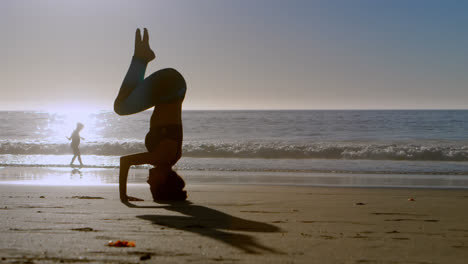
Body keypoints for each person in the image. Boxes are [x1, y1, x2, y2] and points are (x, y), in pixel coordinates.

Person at [114, 28, 187, 203]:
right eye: (151, 184)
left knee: (124, 103)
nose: (147, 180)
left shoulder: (171, 157)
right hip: (169, 87)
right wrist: (123, 197)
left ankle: (142, 58)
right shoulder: (161, 157)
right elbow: (125, 162)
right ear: (163, 181)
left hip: (175, 87)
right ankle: (140, 58)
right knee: (120, 107)